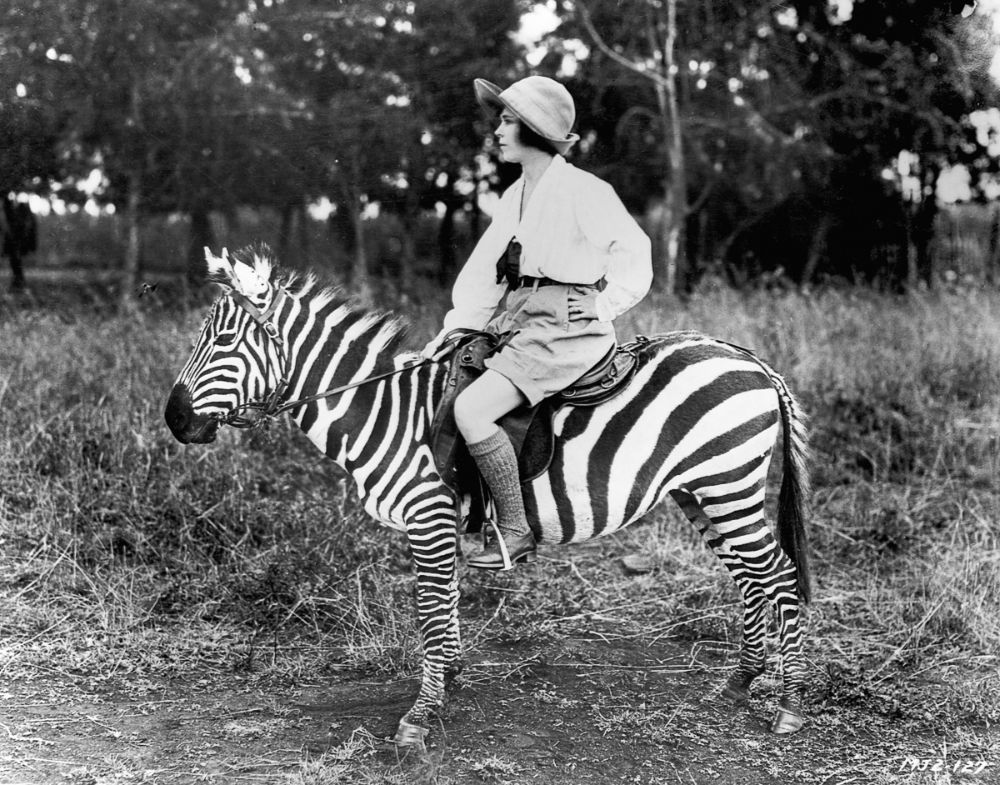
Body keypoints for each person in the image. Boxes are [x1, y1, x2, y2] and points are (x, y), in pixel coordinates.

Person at [423, 75, 653, 571]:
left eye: (507, 121)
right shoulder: (514, 197)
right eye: (501, 120)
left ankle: (514, 529)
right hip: (521, 320)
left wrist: (605, 305)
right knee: (447, 379)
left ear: (531, 129)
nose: (499, 131)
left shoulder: (583, 190)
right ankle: (467, 513)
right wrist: (454, 331)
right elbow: (487, 275)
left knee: (473, 411)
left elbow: (635, 252)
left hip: (566, 330)